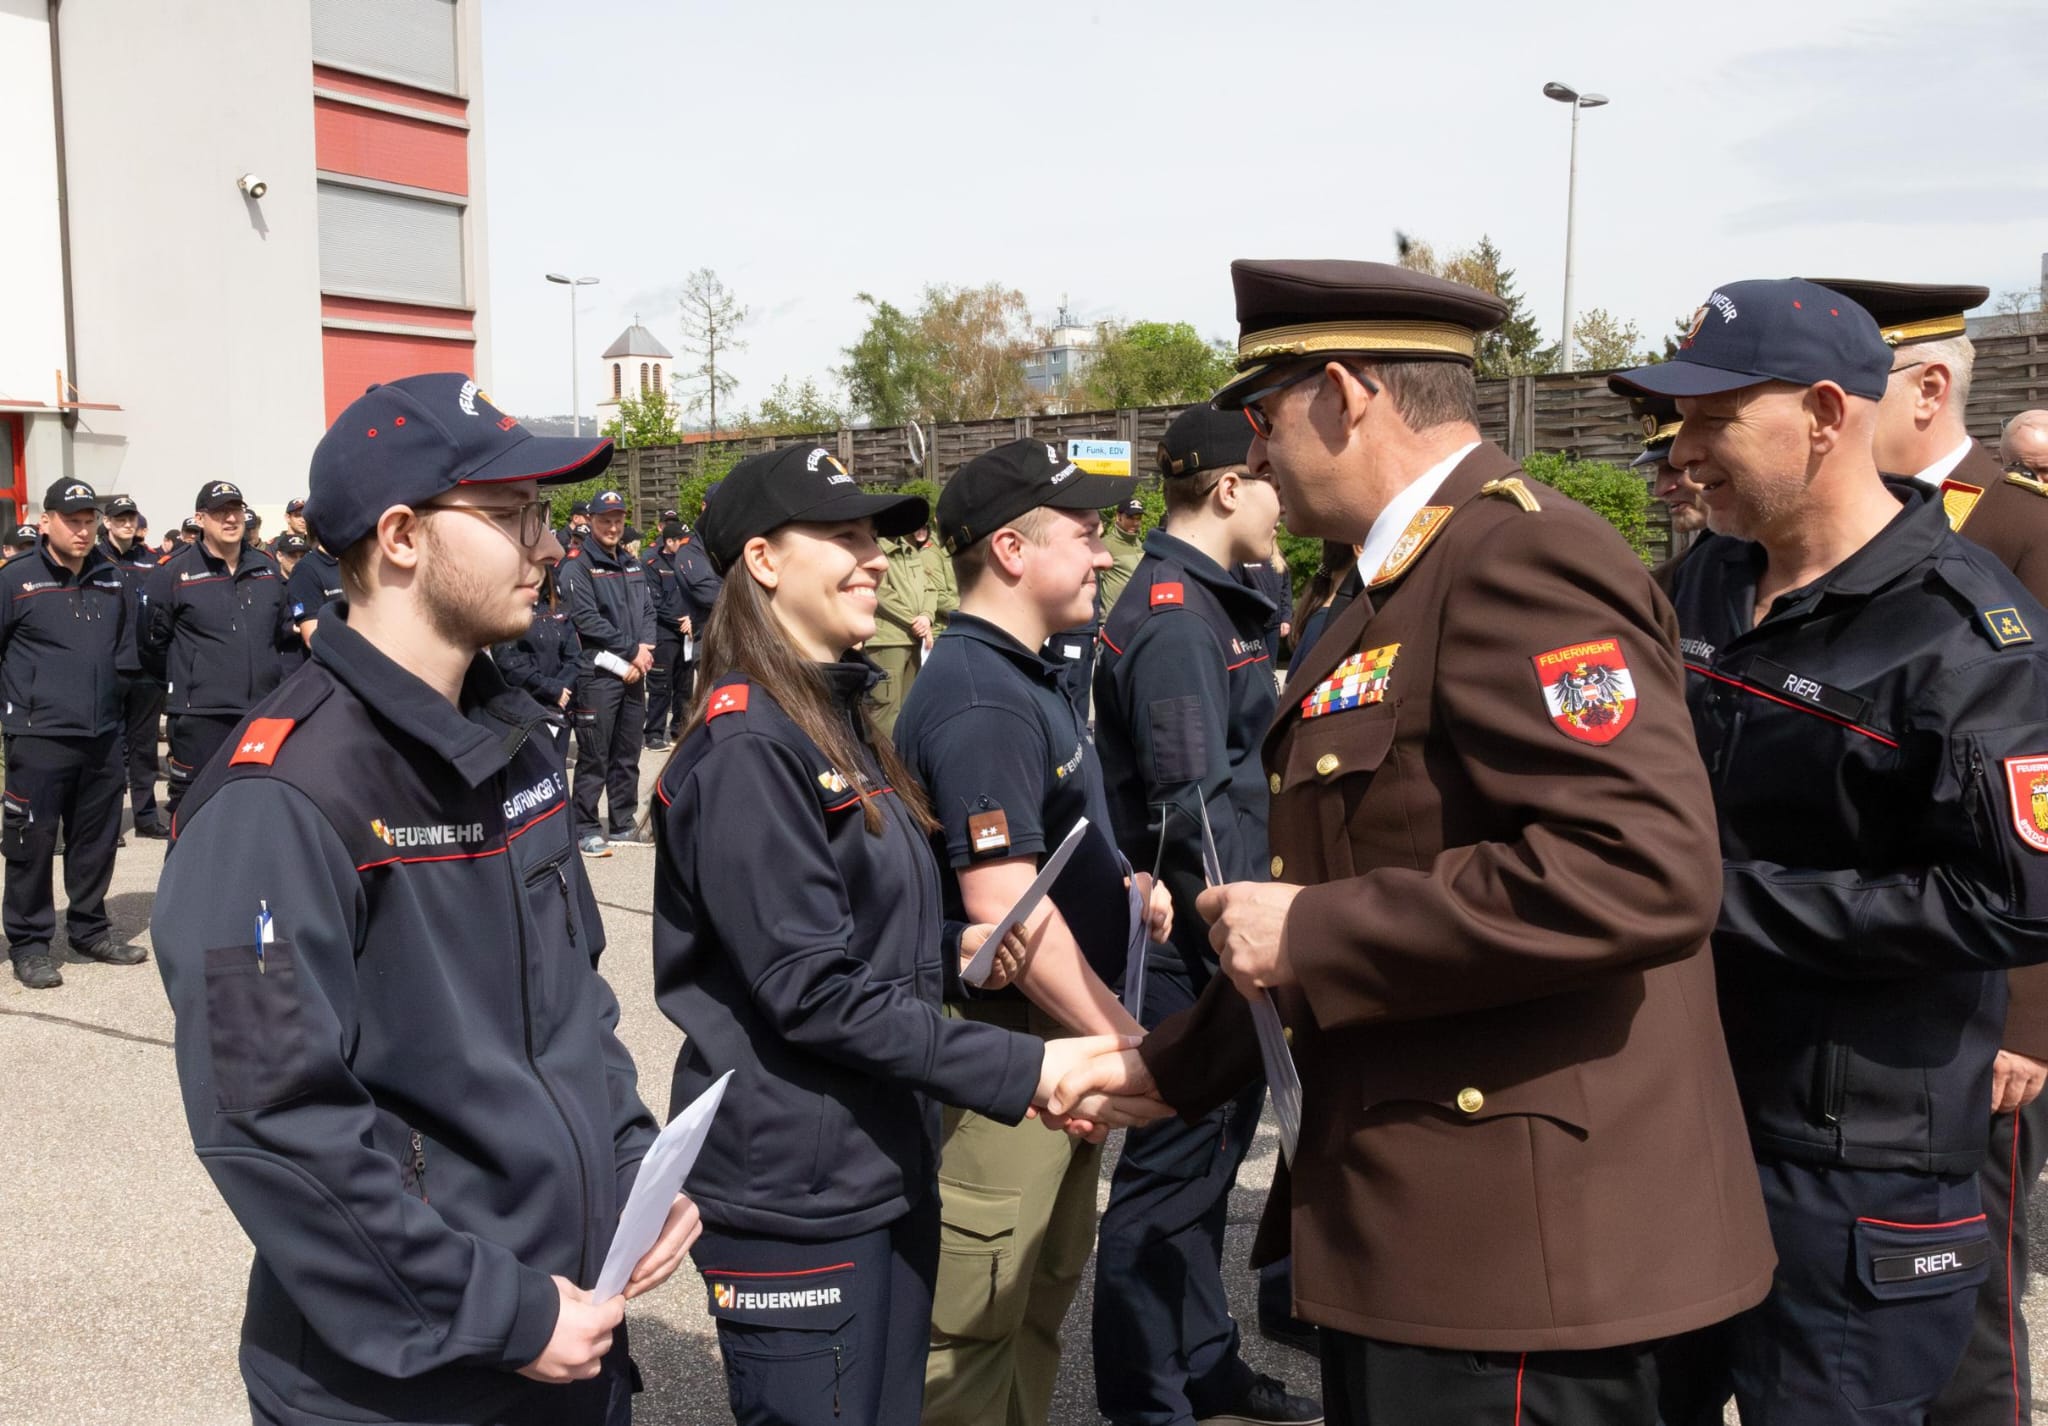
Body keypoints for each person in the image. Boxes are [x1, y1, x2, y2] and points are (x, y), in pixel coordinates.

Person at [1051, 259, 1776, 1426]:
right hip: (1438, 1243)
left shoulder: (1519, 561)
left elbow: (1640, 870)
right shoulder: (1372, 584)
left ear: (1343, 393)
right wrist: (1169, 1068)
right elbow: (1340, 894)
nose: (1251, 459)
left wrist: (1315, 930)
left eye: (1262, 418)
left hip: (1528, 1268)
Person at [153, 373, 695, 1426]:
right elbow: (272, 1123)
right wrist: (500, 1310)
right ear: (401, 537)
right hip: (410, 1384)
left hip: (571, 1334)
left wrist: (631, 1163)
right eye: (511, 515)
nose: (548, 546)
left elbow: (571, 1006)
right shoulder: (281, 799)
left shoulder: (516, 746)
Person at [1608, 278, 2048, 1425]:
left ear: (1820, 412)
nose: (1680, 449)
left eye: (1710, 418)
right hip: (1678, 1112)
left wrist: (1710, 903)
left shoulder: (1966, 632)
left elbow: (2007, 900)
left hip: (1853, 1163)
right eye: (1675, 419)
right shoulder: (1702, 576)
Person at [649, 442, 1160, 1426]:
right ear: (761, 561)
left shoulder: (828, 718)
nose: (875, 557)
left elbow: (855, 936)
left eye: (873, 536)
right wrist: (1025, 1071)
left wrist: (949, 955)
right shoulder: (749, 743)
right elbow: (809, 988)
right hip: (797, 1191)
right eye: (841, 537)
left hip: (876, 1153)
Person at [1799, 282, 2048, 1426]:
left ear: (1928, 387)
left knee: (1968, 1308)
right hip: (1840, 987)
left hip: (1979, 995)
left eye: (1851, 387)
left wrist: (2029, 1021)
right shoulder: (1804, 529)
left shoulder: (2020, 529)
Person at [895, 436, 1174, 1426]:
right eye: (1086, 533)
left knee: (1032, 1309)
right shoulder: (978, 698)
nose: (1103, 554)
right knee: (972, 1336)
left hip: (1053, 1041)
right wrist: (1125, 1044)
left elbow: (1046, 856)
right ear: (1011, 550)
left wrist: (1118, 882)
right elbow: (1005, 914)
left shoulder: (1017, 674)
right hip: (1015, 1053)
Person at [1091, 406, 1321, 1426]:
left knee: (1206, 1174)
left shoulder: (1214, 603)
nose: (1287, 501)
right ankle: (1148, 1400)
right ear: (1228, 488)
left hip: (1219, 937)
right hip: (1200, 945)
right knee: (1165, 1186)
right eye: (1271, 479)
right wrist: (1243, 939)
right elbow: (1190, 809)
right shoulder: (1180, 619)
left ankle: (1205, 1361)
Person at [1, 478, 138, 990]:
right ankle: (30, 942)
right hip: (39, 736)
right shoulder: (16, 580)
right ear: (46, 522)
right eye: (72, 520)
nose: (83, 531)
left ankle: (88, 929)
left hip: (101, 733)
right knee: (31, 842)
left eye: (88, 521)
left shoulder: (110, 576)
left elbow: (124, 650)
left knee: (96, 841)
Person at [141, 481, 297, 821]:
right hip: (201, 716)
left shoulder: (266, 567)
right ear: (200, 519)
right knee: (197, 814)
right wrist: (190, 680)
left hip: (260, 713)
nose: (230, 519)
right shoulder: (173, 571)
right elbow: (152, 644)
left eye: (236, 510)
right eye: (220, 512)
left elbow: (284, 635)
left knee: (256, 812)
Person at [557, 489, 655, 855]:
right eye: (605, 520)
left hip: (634, 667)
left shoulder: (632, 564)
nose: (613, 527)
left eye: (618, 520)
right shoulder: (577, 566)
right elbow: (586, 621)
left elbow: (647, 609)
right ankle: (584, 826)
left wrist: (644, 649)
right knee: (595, 754)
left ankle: (623, 822)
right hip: (597, 675)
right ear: (591, 522)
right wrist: (631, 652)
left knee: (628, 751)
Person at [97, 493, 169, 839]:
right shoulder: (94, 558)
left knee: (144, 750)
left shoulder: (151, 560)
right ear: (107, 522)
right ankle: (109, 823)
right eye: (120, 518)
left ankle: (145, 816)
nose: (127, 524)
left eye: (131, 518)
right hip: (109, 668)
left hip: (145, 667)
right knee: (111, 752)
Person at [867, 519, 957, 735]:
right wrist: (914, 621)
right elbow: (881, 594)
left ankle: (900, 763)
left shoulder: (910, 551)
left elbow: (929, 590)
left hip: (914, 638)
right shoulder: (875, 550)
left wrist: (926, 617)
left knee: (908, 708)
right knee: (885, 708)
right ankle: (881, 764)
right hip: (888, 640)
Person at [640, 522, 716, 751]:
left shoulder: (690, 563)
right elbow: (655, 603)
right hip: (665, 632)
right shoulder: (652, 564)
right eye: (679, 541)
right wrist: (680, 620)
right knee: (661, 686)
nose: (684, 545)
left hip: (688, 631)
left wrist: (691, 620)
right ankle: (653, 733)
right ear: (668, 541)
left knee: (684, 685)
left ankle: (680, 728)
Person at [494, 560, 580, 716]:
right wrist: (550, 689)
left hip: (561, 703)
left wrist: (562, 688)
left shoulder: (557, 609)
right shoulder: (506, 611)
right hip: (525, 705)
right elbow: (508, 661)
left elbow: (574, 657)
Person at [1098, 495, 1146, 613]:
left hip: (1139, 619)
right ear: (1118, 517)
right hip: (1113, 621)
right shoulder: (1104, 545)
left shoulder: (1142, 545)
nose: (1135, 523)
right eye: (1130, 517)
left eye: (1138, 518)